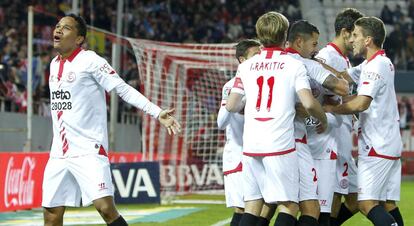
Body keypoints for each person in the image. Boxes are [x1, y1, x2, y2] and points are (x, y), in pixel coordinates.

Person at [42, 14, 181, 226]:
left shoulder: (91, 61)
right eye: (58, 26)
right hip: (59, 153)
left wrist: (156, 111)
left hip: (88, 149)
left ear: (79, 39)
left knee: (106, 208)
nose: (59, 30)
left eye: (66, 28)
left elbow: (122, 88)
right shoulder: (53, 64)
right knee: (51, 213)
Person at [226, 11, 327, 226]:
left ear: (259, 34)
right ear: (285, 35)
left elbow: (232, 105)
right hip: (279, 144)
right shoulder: (293, 65)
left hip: (251, 144)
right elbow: (309, 103)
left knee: (253, 204)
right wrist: (323, 120)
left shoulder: (245, 66)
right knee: (289, 205)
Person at [325, 16, 404, 226]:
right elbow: (343, 75)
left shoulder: (375, 67)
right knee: (387, 203)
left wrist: (329, 109)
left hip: (377, 144)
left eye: (356, 35)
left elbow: (361, 104)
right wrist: (314, 64)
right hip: (389, 142)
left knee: (366, 203)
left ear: (368, 40)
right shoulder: (377, 62)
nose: (352, 40)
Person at [285, 19, 349, 226]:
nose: (316, 50)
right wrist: (320, 65)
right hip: (316, 142)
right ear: (298, 42)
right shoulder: (309, 65)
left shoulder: (278, 62)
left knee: (285, 206)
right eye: (313, 44)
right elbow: (343, 88)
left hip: (282, 143)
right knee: (318, 208)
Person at [315, 8, 364, 226]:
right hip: (331, 140)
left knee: (350, 200)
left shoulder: (341, 58)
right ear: (345, 32)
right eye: (355, 35)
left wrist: (346, 107)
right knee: (334, 200)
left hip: (342, 136)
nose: (357, 41)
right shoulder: (327, 56)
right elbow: (315, 94)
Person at [217, 38, 261, 226]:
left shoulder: (262, 82)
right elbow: (221, 122)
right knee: (244, 208)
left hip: (258, 153)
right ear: (242, 60)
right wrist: (236, 103)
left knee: (260, 207)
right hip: (238, 155)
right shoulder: (231, 86)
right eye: (255, 56)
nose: (260, 59)